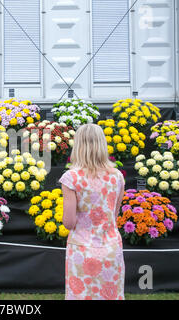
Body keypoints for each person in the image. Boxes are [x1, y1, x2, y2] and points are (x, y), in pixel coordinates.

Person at [59, 124, 126, 300]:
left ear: (78, 145)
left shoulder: (71, 178)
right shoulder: (117, 176)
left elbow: (69, 222)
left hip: (82, 250)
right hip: (111, 247)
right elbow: (114, 214)